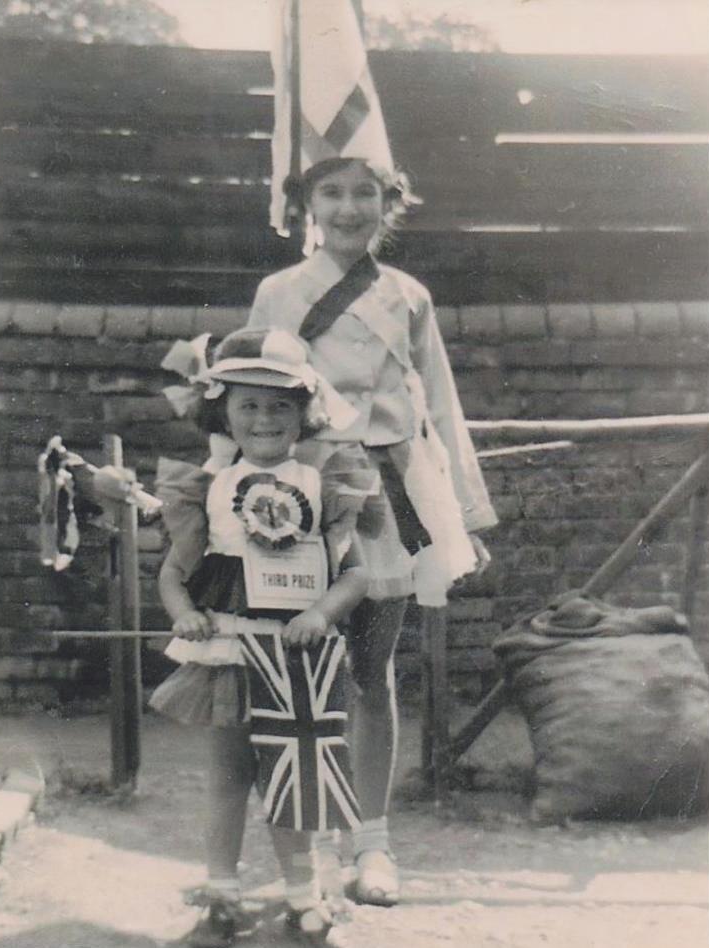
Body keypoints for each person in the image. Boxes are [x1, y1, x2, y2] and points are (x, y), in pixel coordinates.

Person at [247, 156, 498, 907]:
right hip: (301, 497)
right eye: (331, 191)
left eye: (366, 193)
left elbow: (440, 404)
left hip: (389, 492)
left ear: (388, 205)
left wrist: (464, 506)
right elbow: (250, 393)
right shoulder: (278, 291)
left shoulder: (407, 295)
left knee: (369, 669)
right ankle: (308, 849)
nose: (348, 207)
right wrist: (231, 494)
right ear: (305, 205)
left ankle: (373, 844)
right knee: (294, 669)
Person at [151, 327, 376, 947]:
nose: (265, 418)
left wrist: (320, 614)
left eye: (281, 405)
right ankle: (221, 893)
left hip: (297, 657)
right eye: (248, 404)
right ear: (222, 410)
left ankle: (303, 898)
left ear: (305, 413)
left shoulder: (323, 484)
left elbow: (356, 573)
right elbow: (174, 574)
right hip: (228, 653)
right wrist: (183, 614)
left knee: (295, 774)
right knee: (228, 777)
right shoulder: (211, 488)